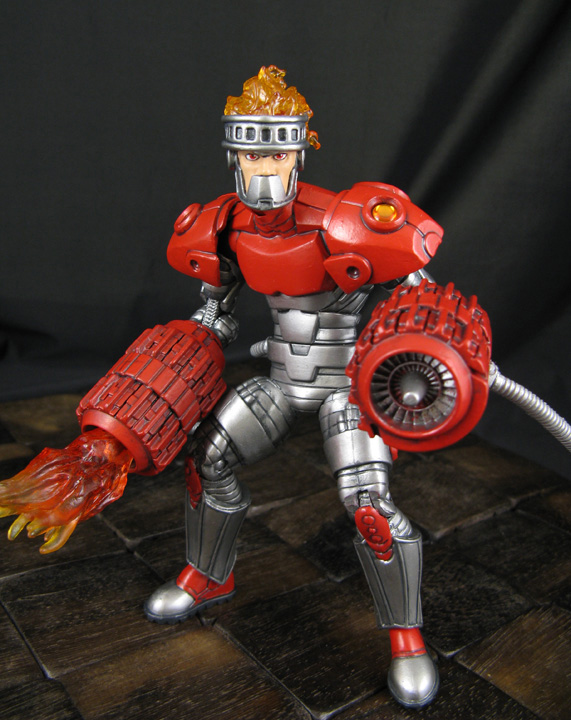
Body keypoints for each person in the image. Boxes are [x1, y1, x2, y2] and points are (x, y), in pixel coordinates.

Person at [1, 66, 448, 708]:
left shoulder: (349, 219)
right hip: (279, 383)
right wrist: (162, 378)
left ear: (299, 153)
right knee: (207, 457)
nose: (264, 166)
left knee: (369, 505)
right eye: (252, 153)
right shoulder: (224, 227)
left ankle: (406, 637)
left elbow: (420, 296)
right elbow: (215, 311)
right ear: (235, 155)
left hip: (347, 389)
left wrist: (427, 348)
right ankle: (208, 574)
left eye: (277, 153)